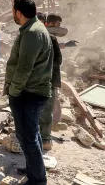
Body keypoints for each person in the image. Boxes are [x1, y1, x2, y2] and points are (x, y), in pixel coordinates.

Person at [5, 0, 54, 185]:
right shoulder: (34, 29)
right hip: (31, 91)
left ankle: (37, 179)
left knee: (28, 136)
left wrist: (14, 91)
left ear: (18, 13)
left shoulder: (33, 33)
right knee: (33, 135)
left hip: (29, 93)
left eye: (13, 11)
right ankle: (34, 168)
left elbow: (24, 68)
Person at [35, 13, 64, 152]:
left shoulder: (50, 39)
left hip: (46, 81)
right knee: (37, 110)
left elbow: (58, 60)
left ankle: (44, 139)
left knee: (44, 111)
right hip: (38, 81)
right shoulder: (30, 39)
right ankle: (39, 138)